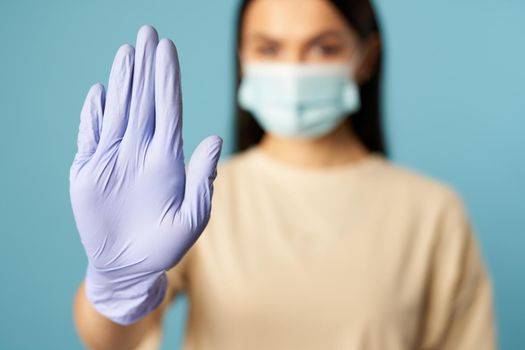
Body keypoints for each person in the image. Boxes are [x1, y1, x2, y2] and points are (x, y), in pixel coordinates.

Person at [70, 0, 497, 349]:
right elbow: (114, 343)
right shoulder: (196, 200)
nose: (293, 70)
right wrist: (116, 281)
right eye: (269, 49)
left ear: (367, 56)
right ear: (243, 56)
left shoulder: (432, 211)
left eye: (323, 48)